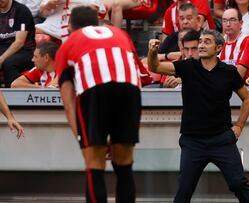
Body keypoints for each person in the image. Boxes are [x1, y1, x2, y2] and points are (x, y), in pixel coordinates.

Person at [147, 29, 249, 203]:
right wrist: (152, 52)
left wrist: (238, 126)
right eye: (201, 41)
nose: (201, 45)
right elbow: (155, 67)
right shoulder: (187, 66)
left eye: (207, 42)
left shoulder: (229, 71)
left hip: (222, 140)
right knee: (184, 191)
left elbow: (247, 99)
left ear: (219, 47)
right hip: (193, 141)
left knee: (238, 184)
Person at [55, 6, 142, 202]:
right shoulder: (120, 34)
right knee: (124, 164)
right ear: (97, 23)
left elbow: (69, 103)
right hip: (129, 88)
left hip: (95, 89)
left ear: (70, 27)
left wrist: (82, 140)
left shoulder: (68, 44)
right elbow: (136, 73)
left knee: (94, 164)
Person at [0, 0, 36, 87]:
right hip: (3, 48)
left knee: (9, 62)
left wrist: (2, 58)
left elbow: (19, 42)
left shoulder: (21, 11)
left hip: (25, 51)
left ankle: (13, 97)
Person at [36, 0, 106, 41]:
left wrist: (79, 10)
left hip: (77, 21)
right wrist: (49, 5)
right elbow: (42, 12)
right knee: (31, 30)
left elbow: (94, 9)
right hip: (53, 22)